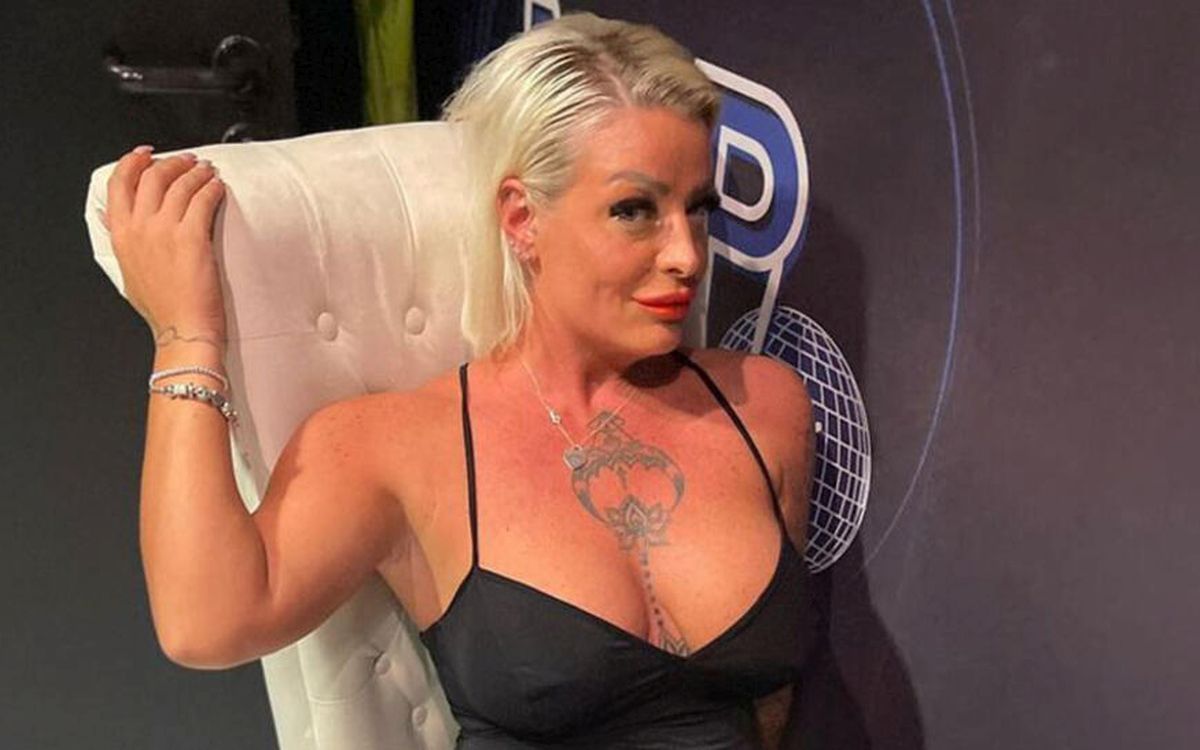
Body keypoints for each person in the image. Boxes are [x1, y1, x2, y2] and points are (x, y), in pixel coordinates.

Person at [104, 12, 817, 749]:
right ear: (522, 218)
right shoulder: (401, 444)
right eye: (634, 210)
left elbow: (770, 708)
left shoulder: (763, 405)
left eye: (696, 209)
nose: (686, 256)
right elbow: (204, 624)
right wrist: (186, 335)